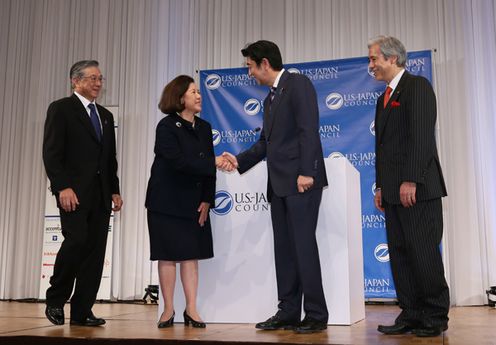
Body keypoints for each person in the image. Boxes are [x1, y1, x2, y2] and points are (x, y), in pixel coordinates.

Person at [220, 40, 328, 333]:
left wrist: (307, 172)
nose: (249, 73)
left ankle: (316, 315)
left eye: (250, 67)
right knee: (285, 251)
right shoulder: (270, 99)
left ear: (264, 63)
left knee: (303, 248)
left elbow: (309, 129)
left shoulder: (298, 84)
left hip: (300, 182)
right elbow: (265, 144)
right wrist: (238, 160)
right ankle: (289, 311)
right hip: (279, 185)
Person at [368, 35, 449, 337]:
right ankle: (411, 312)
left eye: (374, 59)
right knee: (400, 253)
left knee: (423, 252)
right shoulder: (382, 99)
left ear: (392, 58)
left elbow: (421, 138)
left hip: (419, 190)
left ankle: (434, 316)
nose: (371, 65)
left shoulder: (417, 87)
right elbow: (383, 148)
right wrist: (380, 187)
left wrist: (410, 179)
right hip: (391, 193)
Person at [42, 60, 123, 326]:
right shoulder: (61, 109)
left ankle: (82, 310)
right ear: (75, 81)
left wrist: (114, 190)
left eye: (100, 78)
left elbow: (109, 158)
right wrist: (62, 186)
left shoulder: (106, 115)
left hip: (100, 195)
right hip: (73, 193)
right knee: (76, 242)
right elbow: (52, 152)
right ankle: (55, 299)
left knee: (95, 252)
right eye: (92, 78)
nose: (98, 83)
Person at [145, 75, 229, 328]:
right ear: (180, 97)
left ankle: (191, 309)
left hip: (194, 203)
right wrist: (212, 162)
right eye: (193, 92)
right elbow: (178, 162)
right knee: (168, 255)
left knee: (191, 256)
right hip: (166, 202)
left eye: (198, 91)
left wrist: (207, 199)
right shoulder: (167, 127)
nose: (199, 95)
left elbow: (208, 170)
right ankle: (168, 310)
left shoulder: (203, 127)